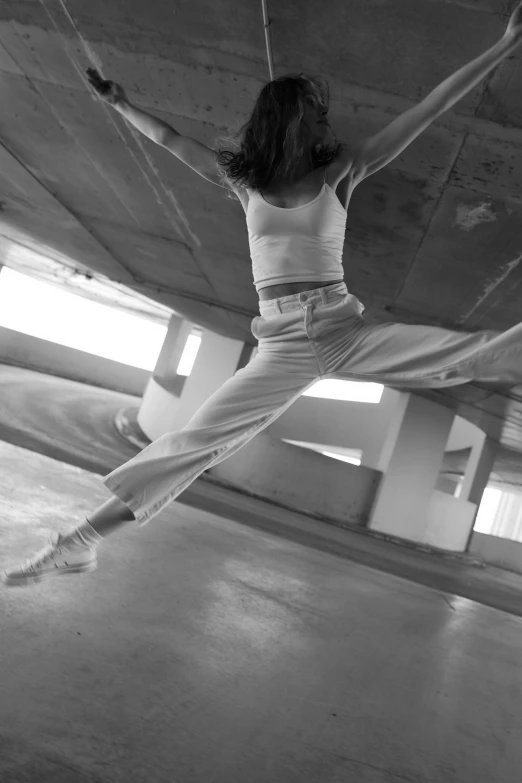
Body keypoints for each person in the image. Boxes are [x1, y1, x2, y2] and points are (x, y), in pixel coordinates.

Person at [4, 5, 522, 586]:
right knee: (195, 443)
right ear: (289, 121)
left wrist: (504, 46)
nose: (327, 124)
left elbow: (431, 108)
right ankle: (78, 543)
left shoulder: (342, 172)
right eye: (315, 114)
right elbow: (172, 139)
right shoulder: (244, 181)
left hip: (342, 331)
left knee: (470, 354)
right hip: (282, 346)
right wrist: (120, 103)